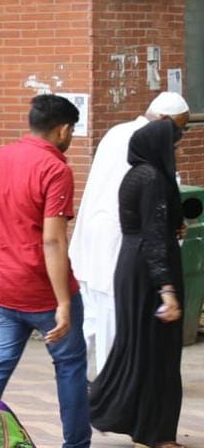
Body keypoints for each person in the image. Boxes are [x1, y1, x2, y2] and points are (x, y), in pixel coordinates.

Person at [0, 94, 114, 448]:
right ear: (63, 129)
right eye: (72, 132)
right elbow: (52, 239)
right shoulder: (55, 169)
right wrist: (63, 302)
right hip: (41, 290)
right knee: (68, 366)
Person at [89, 119, 191, 448]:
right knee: (157, 351)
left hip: (133, 265)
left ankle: (110, 410)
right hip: (149, 273)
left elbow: (154, 227)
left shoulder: (136, 174)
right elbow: (154, 236)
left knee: (137, 348)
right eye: (174, 146)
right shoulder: (152, 179)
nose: (177, 151)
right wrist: (166, 290)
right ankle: (155, 432)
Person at [69, 92, 190, 373]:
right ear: (162, 121)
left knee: (93, 320)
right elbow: (154, 199)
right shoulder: (147, 147)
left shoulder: (118, 132)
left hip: (96, 239)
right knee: (114, 322)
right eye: (179, 129)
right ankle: (109, 391)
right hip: (120, 242)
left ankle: (79, 383)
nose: (178, 138)